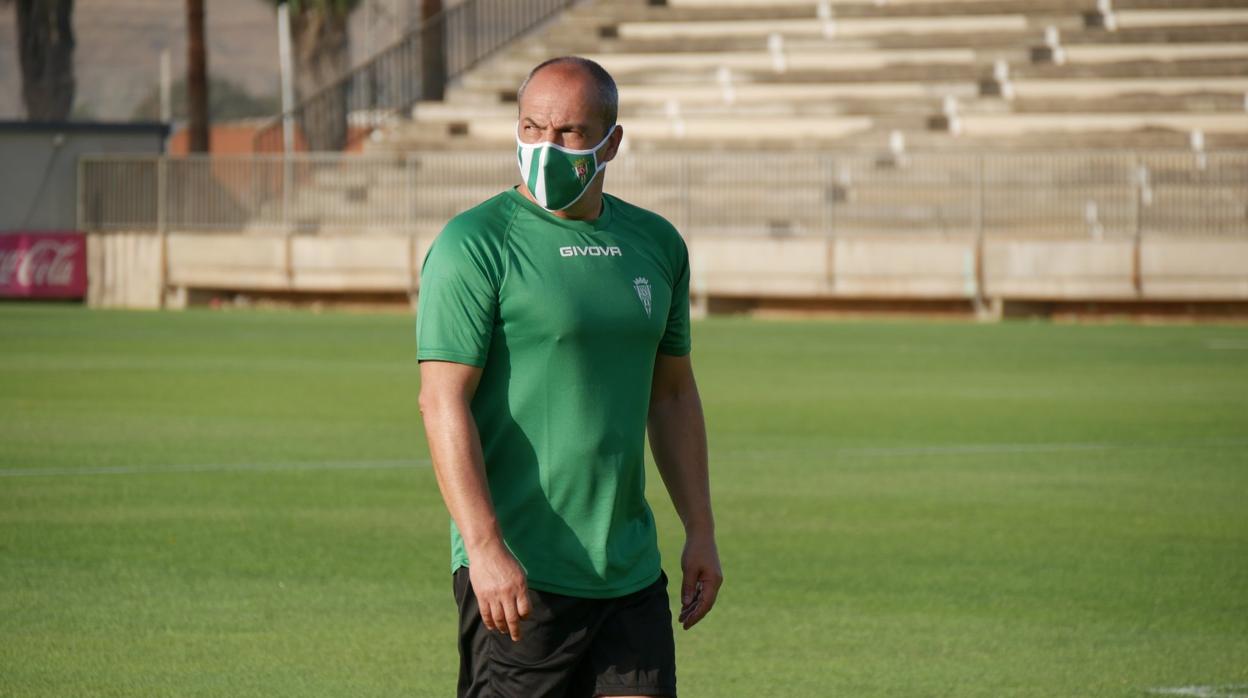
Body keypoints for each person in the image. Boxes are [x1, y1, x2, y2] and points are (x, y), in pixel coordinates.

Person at [416, 56, 722, 698]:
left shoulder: (657, 243)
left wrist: (700, 529)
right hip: (519, 577)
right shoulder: (474, 244)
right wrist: (485, 548)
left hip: (630, 573)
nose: (545, 148)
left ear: (611, 143)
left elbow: (671, 395)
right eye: (532, 128)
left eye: (569, 133)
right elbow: (441, 402)